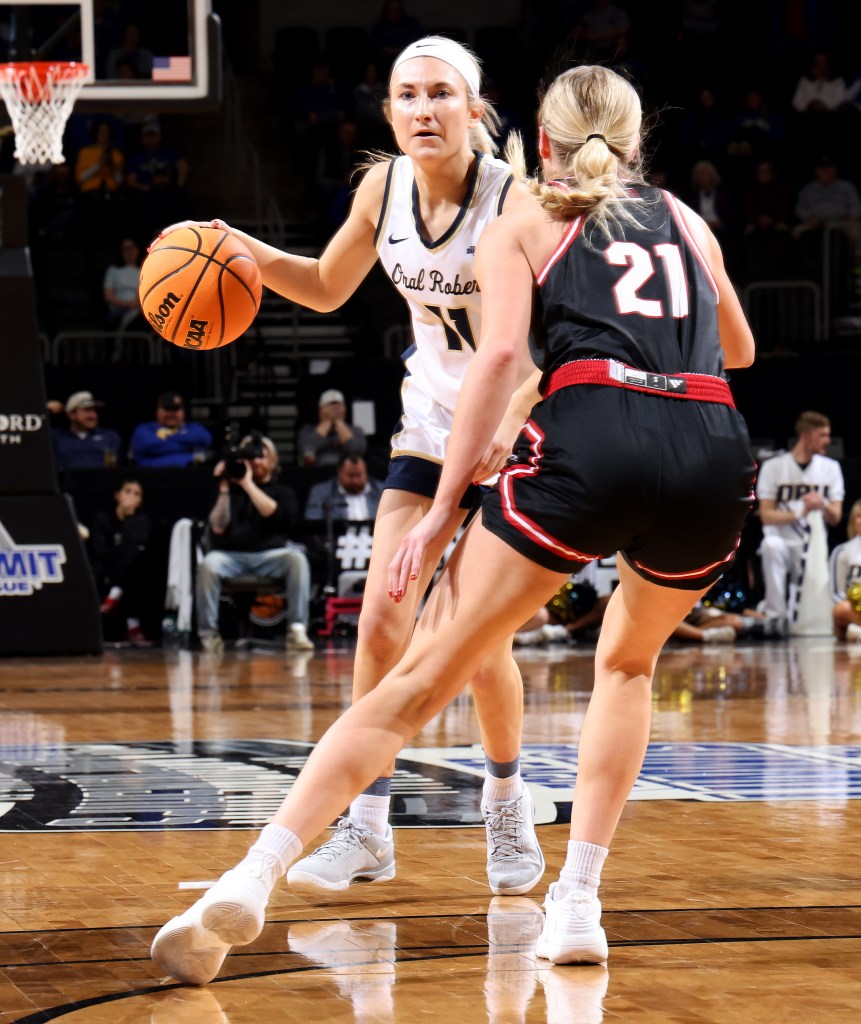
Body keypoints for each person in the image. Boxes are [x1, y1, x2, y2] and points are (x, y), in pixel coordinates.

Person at [151, 62, 756, 986]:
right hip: (712, 447)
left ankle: (252, 874)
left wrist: (441, 514)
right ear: (639, 143)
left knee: (422, 673)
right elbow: (741, 349)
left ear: (539, 144)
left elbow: (501, 354)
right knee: (626, 667)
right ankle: (578, 904)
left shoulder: (526, 214)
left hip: (594, 436)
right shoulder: (687, 220)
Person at [151, 36, 543, 899]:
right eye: (407, 95)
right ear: (390, 112)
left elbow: (554, 341)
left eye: (441, 94)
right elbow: (328, 286)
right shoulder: (382, 188)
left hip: (512, 424)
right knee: (379, 623)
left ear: (474, 110)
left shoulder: (518, 202)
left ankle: (507, 798)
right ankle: (368, 827)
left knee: (473, 640)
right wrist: (238, 250)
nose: (423, 109)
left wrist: (513, 421)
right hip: (430, 420)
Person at [196, 433, 314, 655]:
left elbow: (275, 514)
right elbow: (217, 526)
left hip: (271, 557)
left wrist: (248, 484)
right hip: (232, 557)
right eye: (251, 457)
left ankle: (297, 629)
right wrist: (224, 488)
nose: (256, 461)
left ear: (273, 461)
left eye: (261, 456)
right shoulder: (229, 491)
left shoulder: (283, 492)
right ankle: (209, 634)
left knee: (296, 559)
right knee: (209, 563)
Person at [756, 411, 844, 634]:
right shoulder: (774, 467)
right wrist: (800, 512)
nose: (827, 441)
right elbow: (766, 515)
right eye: (822, 435)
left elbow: (836, 517)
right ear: (805, 435)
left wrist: (822, 504)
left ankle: (809, 625)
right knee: (770, 547)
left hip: (814, 543)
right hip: (782, 539)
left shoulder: (830, 468)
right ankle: (776, 619)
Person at [89, 478, 152, 646]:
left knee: (135, 559)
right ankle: (131, 623)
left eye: (137, 494)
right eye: (128, 491)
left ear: (140, 501)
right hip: (106, 568)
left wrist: (129, 520)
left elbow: (140, 547)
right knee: (126, 558)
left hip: (132, 572)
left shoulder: (142, 521)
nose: (132, 496)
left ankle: (116, 594)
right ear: (117, 495)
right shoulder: (103, 518)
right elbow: (100, 549)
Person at [129, 392, 211, 468]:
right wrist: (187, 449)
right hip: (152, 477)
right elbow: (145, 446)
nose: (171, 413)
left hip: (190, 477)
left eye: (176, 409)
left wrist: (167, 439)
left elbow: (206, 440)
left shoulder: (194, 428)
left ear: (183, 411)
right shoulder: (144, 429)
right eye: (167, 409)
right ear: (157, 410)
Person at [52, 391, 122, 470]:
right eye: (87, 410)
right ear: (71, 414)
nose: (93, 416)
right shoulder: (56, 437)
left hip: (101, 481)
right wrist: (44, 409)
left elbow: (112, 469)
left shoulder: (109, 436)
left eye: (94, 410)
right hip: (67, 481)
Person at [297, 389, 367, 468]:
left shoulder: (356, 430)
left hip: (348, 472)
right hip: (316, 473)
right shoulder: (307, 430)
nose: (334, 409)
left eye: (338, 405)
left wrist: (339, 423)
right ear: (320, 409)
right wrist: (327, 422)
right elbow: (306, 450)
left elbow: (358, 452)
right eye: (330, 405)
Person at [305, 454, 385, 522]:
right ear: (339, 472)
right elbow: (313, 524)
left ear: (366, 472)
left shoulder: (383, 491)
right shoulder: (321, 492)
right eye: (351, 476)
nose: (355, 481)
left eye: (359, 475)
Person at [829, 498, 861, 642]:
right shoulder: (842, 551)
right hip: (853, 608)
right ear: (853, 521)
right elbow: (836, 592)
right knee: (840, 610)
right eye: (859, 516)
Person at [103, 238, 144, 331]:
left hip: (139, 312)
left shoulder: (143, 270)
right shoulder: (113, 270)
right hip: (118, 312)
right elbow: (108, 296)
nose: (129, 252)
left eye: (131, 248)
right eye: (125, 249)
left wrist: (137, 305)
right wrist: (127, 304)